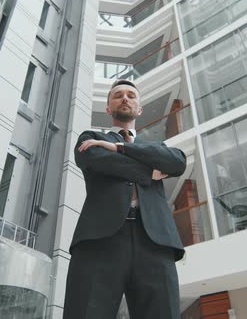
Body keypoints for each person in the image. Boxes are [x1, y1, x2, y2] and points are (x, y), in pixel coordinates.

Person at [63, 79, 186, 319]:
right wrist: (150, 172)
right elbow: (97, 159)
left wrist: (122, 149)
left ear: (139, 109)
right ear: (109, 109)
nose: (125, 98)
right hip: (100, 240)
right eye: (118, 95)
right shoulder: (91, 138)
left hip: (155, 241)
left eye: (131, 95)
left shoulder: (156, 147)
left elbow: (178, 162)